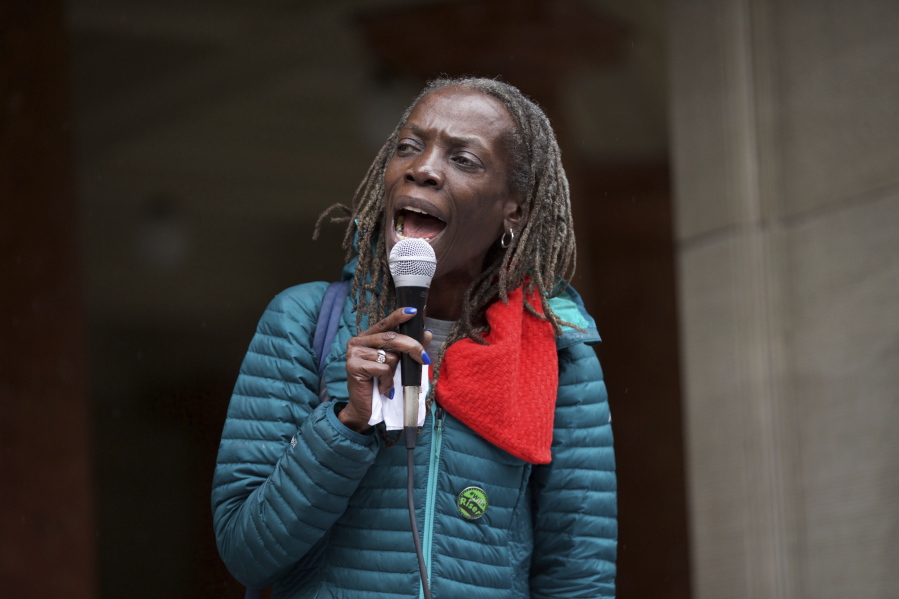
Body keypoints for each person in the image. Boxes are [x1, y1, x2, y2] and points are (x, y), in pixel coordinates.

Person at [212, 77, 617, 598]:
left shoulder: (559, 355)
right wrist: (346, 426)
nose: (422, 168)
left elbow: (578, 579)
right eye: (408, 146)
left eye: (464, 159)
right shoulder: (302, 321)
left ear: (512, 208)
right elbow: (246, 553)